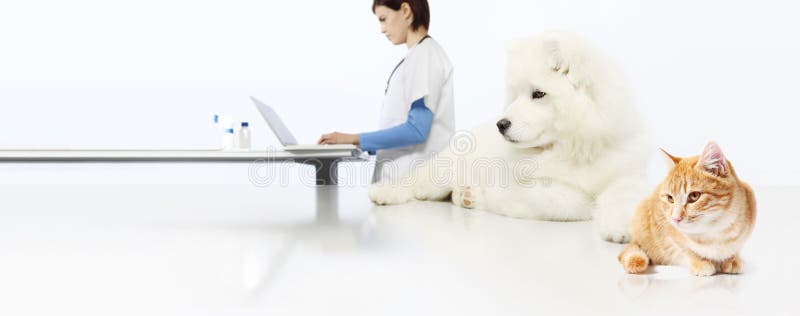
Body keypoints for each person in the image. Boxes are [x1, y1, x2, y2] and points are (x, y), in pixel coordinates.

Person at [317, 0, 455, 183]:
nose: (382, 29)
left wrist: (353, 138)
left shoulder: (424, 55)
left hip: (411, 184)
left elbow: (417, 130)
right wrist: (358, 145)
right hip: (405, 184)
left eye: (383, 19)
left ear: (406, 10)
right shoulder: (419, 55)